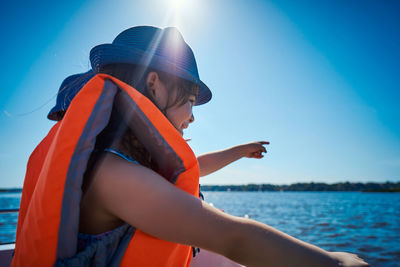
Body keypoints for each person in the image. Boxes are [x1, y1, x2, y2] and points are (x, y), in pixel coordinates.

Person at [12, 26, 369, 267]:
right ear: (155, 84)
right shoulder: (115, 177)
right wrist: (337, 262)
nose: (193, 117)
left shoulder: (112, 166)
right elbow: (234, 238)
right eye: (190, 101)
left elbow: (194, 165)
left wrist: (239, 151)